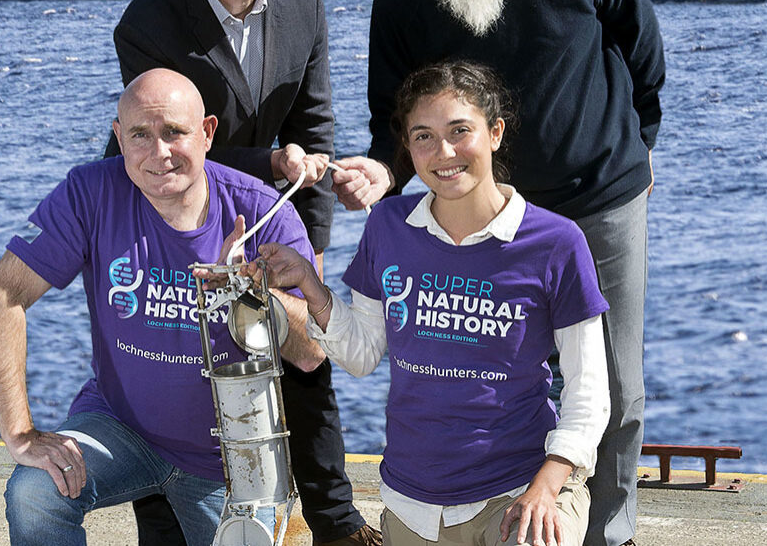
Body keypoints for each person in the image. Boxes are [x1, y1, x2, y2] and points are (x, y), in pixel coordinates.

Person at [330, 0, 665, 545]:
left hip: (598, 200)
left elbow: (642, 49)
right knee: (486, 385)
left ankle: (612, 532)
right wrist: (382, 172)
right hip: (474, 222)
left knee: (615, 390)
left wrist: (640, 148)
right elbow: (393, 120)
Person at [229, 61, 611, 546]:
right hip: (412, 500)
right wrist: (308, 283)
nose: (444, 152)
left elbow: (589, 393)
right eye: (423, 136)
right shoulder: (388, 226)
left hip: (519, 489)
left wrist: (545, 487)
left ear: (495, 133)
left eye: (460, 131)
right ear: (407, 148)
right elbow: (364, 353)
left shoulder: (556, 243)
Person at [110, 0, 377, 546]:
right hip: (169, 203)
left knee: (301, 346)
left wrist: (311, 244)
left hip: (276, 204)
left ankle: (337, 524)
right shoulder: (147, 21)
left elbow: (313, 125)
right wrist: (273, 165)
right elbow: (174, 145)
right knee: (172, 371)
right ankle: (167, 530)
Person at [0, 69, 328, 546]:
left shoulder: (265, 212)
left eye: (174, 133)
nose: (158, 153)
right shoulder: (90, 193)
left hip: (231, 453)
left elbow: (312, 353)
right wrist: (19, 434)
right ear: (119, 138)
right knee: (35, 492)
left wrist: (254, 295)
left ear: (206, 133)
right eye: (140, 134)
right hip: (121, 427)